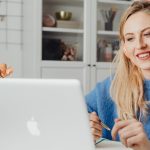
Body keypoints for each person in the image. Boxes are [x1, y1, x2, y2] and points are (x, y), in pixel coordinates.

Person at [85, 1, 150, 150]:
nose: (139, 45)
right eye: (130, 38)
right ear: (125, 49)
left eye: (147, 34)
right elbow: (73, 112)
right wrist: (84, 124)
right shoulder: (112, 86)